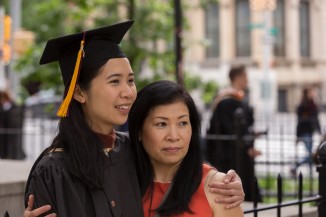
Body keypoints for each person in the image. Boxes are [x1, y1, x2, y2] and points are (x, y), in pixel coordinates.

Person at [20, 21, 244, 217]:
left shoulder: (130, 151)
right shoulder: (54, 172)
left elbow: (180, 167)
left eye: (130, 80)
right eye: (115, 81)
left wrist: (228, 185)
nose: (128, 92)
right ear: (79, 92)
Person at [128, 80, 244, 217]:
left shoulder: (218, 189)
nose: (173, 136)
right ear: (139, 131)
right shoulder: (122, 182)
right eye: (161, 124)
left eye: (182, 123)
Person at [206, 65, 262, 202]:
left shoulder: (237, 99)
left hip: (239, 152)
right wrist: (247, 147)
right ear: (237, 77)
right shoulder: (226, 101)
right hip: (230, 154)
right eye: (245, 76)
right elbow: (230, 130)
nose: (247, 80)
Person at [291, 87, 321, 176]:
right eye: (311, 92)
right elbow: (299, 122)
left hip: (310, 132)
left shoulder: (313, 105)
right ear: (306, 94)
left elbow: (316, 120)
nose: (313, 94)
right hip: (304, 132)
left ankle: (297, 167)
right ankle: (296, 166)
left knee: (310, 154)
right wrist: (297, 136)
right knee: (310, 154)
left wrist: (319, 131)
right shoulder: (302, 106)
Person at [0, 90, 25, 159]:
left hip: (11, 131)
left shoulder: (12, 106)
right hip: (4, 132)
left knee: (13, 145)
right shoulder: (3, 107)